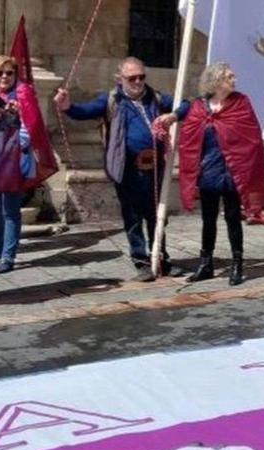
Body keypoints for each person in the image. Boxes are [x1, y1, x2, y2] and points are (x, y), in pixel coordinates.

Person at [54, 56, 186, 281]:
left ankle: (161, 258)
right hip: (127, 168)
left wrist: (173, 115)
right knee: (133, 216)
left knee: (157, 215)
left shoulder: (155, 97)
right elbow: (83, 112)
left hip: (155, 168)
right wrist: (67, 107)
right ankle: (141, 261)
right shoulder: (112, 100)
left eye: (141, 77)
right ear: (120, 78)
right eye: (131, 78)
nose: (137, 82)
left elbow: (187, 105)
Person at [159, 62, 264, 286]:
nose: (234, 79)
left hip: (232, 171)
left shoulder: (241, 102)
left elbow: (253, 137)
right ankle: (205, 264)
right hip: (209, 172)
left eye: (233, 75)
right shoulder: (199, 106)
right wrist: (171, 117)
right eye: (229, 76)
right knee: (208, 219)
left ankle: (237, 264)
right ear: (216, 81)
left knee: (232, 218)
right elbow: (185, 109)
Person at [0, 56, 33, 273]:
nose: (4, 77)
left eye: (9, 73)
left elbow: (30, 129)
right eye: (0, 73)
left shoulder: (22, 96)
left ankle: (8, 256)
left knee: (10, 210)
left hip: (12, 162)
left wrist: (14, 143)